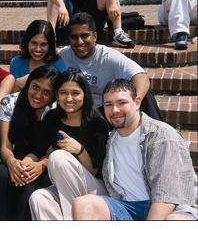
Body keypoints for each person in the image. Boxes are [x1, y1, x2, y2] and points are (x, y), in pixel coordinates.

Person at [72, 79, 197, 220]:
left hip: (173, 207)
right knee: (83, 204)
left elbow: (165, 199)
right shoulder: (111, 139)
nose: (114, 110)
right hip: (128, 207)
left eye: (122, 103)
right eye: (108, 104)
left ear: (137, 102)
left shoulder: (161, 136)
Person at [0, 65, 59, 220]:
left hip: (43, 163)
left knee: (27, 190)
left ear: (53, 94)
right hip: (13, 157)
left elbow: (54, 151)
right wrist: (12, 163)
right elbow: (5, 147)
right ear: (29, 84)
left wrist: (40, 166)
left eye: (46, 92)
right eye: (35, 87)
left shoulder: (56, 110)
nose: (38, 95)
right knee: (1, 175)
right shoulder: (10, 103)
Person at [29, 71, 109, 220]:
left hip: (95, 189)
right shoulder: (52, 118)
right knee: (39, 197)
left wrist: (79, 150)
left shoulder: (96, 123)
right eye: (63, 92)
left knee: (58, 157)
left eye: (75, 93)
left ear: (85, 94)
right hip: (64, 187)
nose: (69, 98)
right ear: (57, 95)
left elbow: (95, 171)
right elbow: (41, 150)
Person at [58, 12, 152, 118]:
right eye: (74, 37)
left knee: (146, 96)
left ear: (95, 36)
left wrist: (134, 105)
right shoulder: (63, 55)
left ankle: (156, 131)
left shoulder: (108, 56)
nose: (79, 42)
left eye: (85, 36)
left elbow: (141, 76)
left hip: (103, 111)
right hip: (73, 108)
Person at [46, 0, 135, 48]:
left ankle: (118, 33)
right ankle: (51, 35)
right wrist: (61, 5)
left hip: (92, 15)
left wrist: (112, 2)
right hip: (70, 13)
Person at [9, 19, 66, 91]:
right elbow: (10, 95)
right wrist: (16, 84)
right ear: (27, 42)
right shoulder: (16, 62)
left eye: (43, 44)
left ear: (50, 45)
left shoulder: (58, 64)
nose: (38, 49)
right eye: (34, 43)